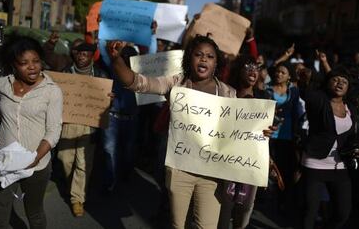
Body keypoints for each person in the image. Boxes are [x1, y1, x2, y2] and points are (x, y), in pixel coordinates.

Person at [107, 35, 274, 229]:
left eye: (210, 56)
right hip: (180, 170)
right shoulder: (176, 84)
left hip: (212, 174)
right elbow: (137, 82)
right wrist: (116, 59)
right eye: (198, 54)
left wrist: (262, 132)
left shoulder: (229, 93)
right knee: (179, 225)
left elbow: (241, 130)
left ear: (216, 62)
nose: (204, 59)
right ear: (189, 59)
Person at [0, 37, 63, 229]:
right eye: (24, 63)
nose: (32, 67)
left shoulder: (52, 91)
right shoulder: (1, 85)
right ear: (13, 65)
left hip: (36, 165)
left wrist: (36, 157)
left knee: (34, 212)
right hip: (2, 161)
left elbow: (54, 129)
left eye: (36, 61)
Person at [298, 58, 357, 229]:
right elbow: (306, 92)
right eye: (335, 79)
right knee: (309, 211)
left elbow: (350, 135)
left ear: (348, 88)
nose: (340, 83)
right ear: (327, 82)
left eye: (344, 82)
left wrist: (356, 149)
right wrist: (307, 76)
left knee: (342, 213)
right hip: (315, 163)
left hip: (339, 166)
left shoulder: (350, 107)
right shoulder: (318, 100)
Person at [218, 54, 271, 229]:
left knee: (246, 207)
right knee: (225, 204)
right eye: (248, 67)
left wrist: (269, 131)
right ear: (238, 70)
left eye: (256, 68)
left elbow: (264, 132)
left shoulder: (264, 98)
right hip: (227, 159)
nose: (253, 71)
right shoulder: (227, 94)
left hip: (251, 161)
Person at [56, 42, 108, 217]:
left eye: (86, 53)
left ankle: (77, 199)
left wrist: (110, 100)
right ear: (75, 55)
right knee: (65, 159)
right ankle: (74, 185)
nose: (82, 55)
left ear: (92, 55)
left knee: (84, 164)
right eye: (79, 53)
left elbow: (105, 103)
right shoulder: (64, 73)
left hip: (89, 125)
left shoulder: (101, 75)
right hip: (68, 124)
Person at [101, 45, 139, 193]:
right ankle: (110, 182)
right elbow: (103, 50)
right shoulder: (112, 71)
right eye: (125, 57)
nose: (128, 60)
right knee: (109, 150)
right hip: (113, 117)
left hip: (132, 119)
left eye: (131, 58)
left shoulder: (142, 76)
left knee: (128, 152)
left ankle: (126, 175)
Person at [265, 61, 300, 215]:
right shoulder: (267, 90)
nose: (279, 74)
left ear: (289, 77)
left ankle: (282, 202)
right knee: (270, 170)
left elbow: (296, 113)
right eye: (277, 71)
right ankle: (266, 200)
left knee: (286, 171)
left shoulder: (294, 92)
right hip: (270, 136)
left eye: (283, 73)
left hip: (287, 138)